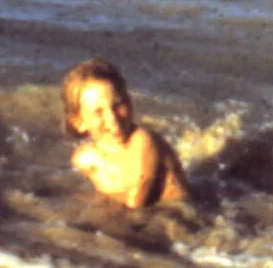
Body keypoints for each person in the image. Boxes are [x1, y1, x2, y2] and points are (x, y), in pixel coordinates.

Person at [61, 59, 189, 208]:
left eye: (118, 105)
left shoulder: (142, 142)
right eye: (99, 112)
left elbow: (135, 203)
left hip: (177, 215)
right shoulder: (85, 159)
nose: (112, 118)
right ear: (79, 122)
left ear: (129, 102)